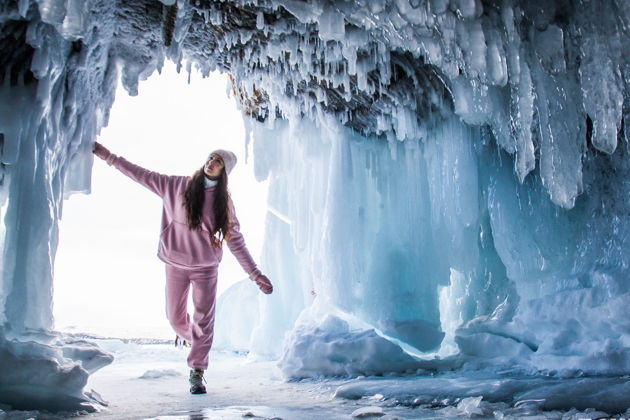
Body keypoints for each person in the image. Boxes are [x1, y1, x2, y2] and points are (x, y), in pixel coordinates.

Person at [92, 142, 273, 394]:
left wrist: (255, 274)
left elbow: (236, 241)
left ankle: (197, 371)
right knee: (176, 319)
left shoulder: (224, 203)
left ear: (224, 172)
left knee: (204, 320)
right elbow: (139, 173)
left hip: (205, 268)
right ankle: (195, 341)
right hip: (175, 263)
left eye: (218, 161)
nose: (211, 162)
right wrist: (107, 156)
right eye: (211, 157)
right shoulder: (176, 185)